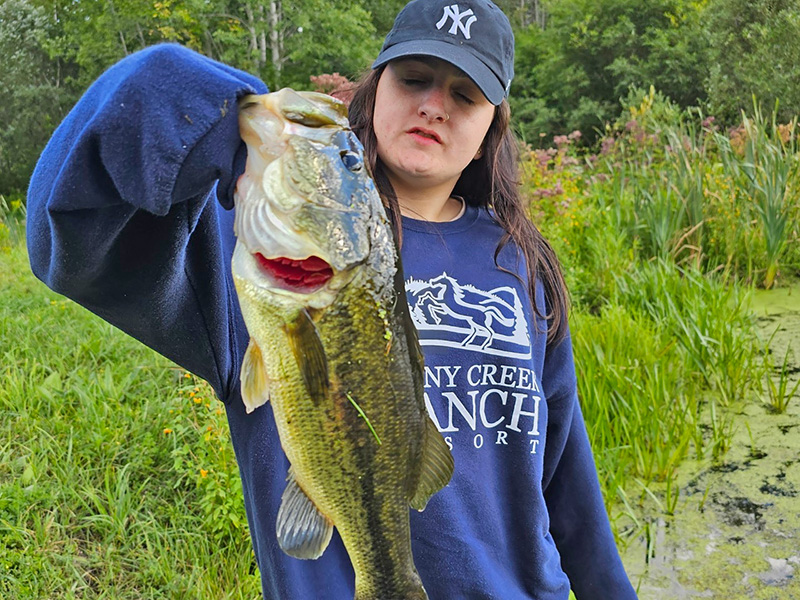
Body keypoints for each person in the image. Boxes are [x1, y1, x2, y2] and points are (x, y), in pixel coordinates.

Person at [26, 0, 637, 598]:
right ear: (373, 94)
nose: (433, 106)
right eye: (414, 78)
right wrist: (217, 112)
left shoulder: (522, 264)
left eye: (464, 94)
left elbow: (566, 477)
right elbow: (65, 234)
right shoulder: (246, 253)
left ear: (489, 132)